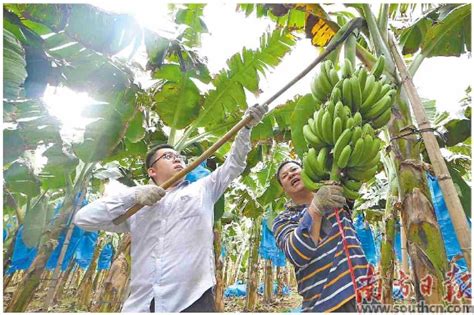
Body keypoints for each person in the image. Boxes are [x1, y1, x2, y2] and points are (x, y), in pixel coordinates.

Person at [74, 105, 266, 312]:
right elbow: (84, 219)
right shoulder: (137, 206)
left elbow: (234, 165)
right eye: (167, 156)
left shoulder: (203, 189)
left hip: (192, 299)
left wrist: (246, 129)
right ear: (152, 171)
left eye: (179, 157)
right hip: (143, 302)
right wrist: (134, 194)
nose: (177, 158)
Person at [272, 160, 369, 312]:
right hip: (326, 303)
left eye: (294, 169)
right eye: (285, 176)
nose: (291, 174)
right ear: (284, 189)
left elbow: (355, 174)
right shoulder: (283, 220)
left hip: (365, 291)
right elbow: (297, 254)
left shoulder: (335, 194)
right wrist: (316, 207)